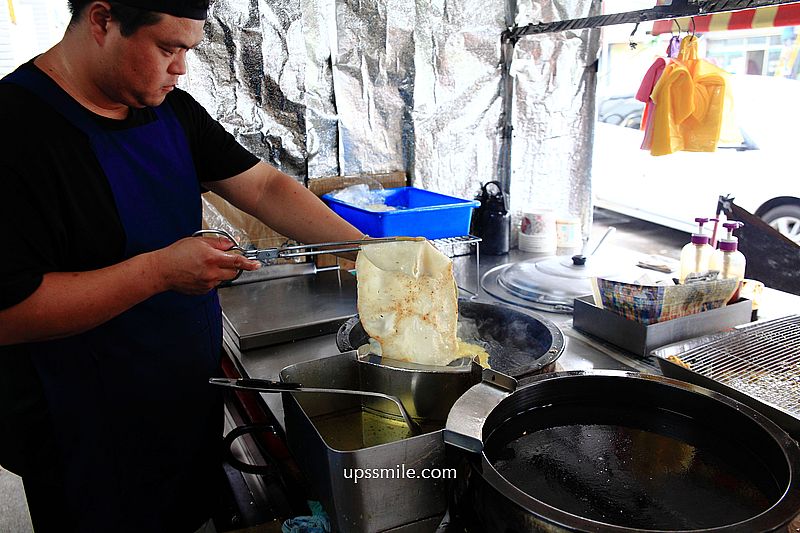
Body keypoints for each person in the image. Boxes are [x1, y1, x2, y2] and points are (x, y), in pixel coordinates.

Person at [0, 1, 363, 531]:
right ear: (101, 21)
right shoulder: (17, 131)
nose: (182, 67)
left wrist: (374, 253)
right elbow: (10, 311)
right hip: (83, 433)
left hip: (182, 400)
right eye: (168, 48)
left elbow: (263, 186)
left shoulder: (170, 111)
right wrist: (160, 272)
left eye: (189, 50)